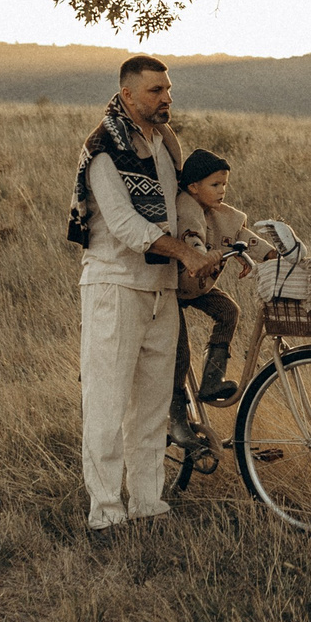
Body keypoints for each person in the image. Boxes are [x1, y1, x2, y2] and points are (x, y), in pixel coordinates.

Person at [65, 55, 221, 532]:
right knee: (108, 403)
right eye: (155, 91)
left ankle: (148, 503)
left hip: (160, 288)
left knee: (154, 404)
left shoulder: (166, 144)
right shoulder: (102, 150)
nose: (166, 98)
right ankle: (106, 513)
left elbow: (182, 204)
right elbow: (127, 225)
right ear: (128, 95)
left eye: (168, 89)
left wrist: (206, 244)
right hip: (115, 287)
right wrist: (185, 254)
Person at [170, 148, 272, 407]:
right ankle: (178, 417)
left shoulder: (218, 212)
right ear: (193, 187)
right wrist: (202, 255)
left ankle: (212, 380)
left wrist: (271, 254)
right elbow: (191, 238)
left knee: (228, 310)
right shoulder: (186, 208)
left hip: (196, 288)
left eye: (224, 184)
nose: (221, 190)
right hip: (172, 287)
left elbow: (241, 235)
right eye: (215, 184)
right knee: (180, 355)